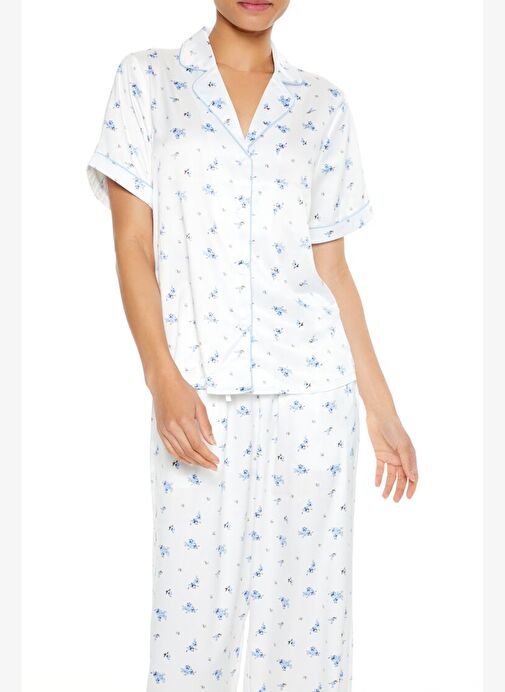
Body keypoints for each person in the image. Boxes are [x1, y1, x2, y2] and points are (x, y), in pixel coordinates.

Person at [87, 1, 418, 689]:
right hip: (198, 397)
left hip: (313, 398)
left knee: (309, 635)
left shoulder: (323, 104)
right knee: (188, 639)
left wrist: (381, 409)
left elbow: (332, 270)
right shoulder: (147, 79)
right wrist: (162, 378)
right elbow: (132, 243)